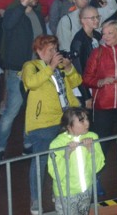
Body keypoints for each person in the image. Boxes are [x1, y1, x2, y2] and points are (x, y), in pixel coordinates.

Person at [22, 35, 82, 215]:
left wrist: (69, 67)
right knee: (40, 161)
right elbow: (31, 83)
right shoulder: (30, 66)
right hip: (42, 123)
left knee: (65, 158)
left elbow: (77, 82)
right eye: (50, 50)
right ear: (39, 51)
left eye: (55, 49)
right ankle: (36, 199)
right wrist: (50, 67)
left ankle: (60, 193)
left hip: (65, 119)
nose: (54, 53)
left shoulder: (59, 67)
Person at [0, 0, 43, 162]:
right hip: (18, 71)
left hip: (36, 70)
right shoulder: (13, 13)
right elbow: (7, 25)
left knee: (32, 110)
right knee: (11, 112)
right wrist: (23, 4)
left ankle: (28, 145)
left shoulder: (36, 14)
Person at [48, 107, 106, 215]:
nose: (87, 123)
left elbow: (98, 166)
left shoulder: (92, 137)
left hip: (86, 190)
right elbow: (56, 173)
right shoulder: (57, 144)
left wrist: (90, 150)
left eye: (87, 119)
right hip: (66, 193)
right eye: (81, 121)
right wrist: (67, 154)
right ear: (69, 126)